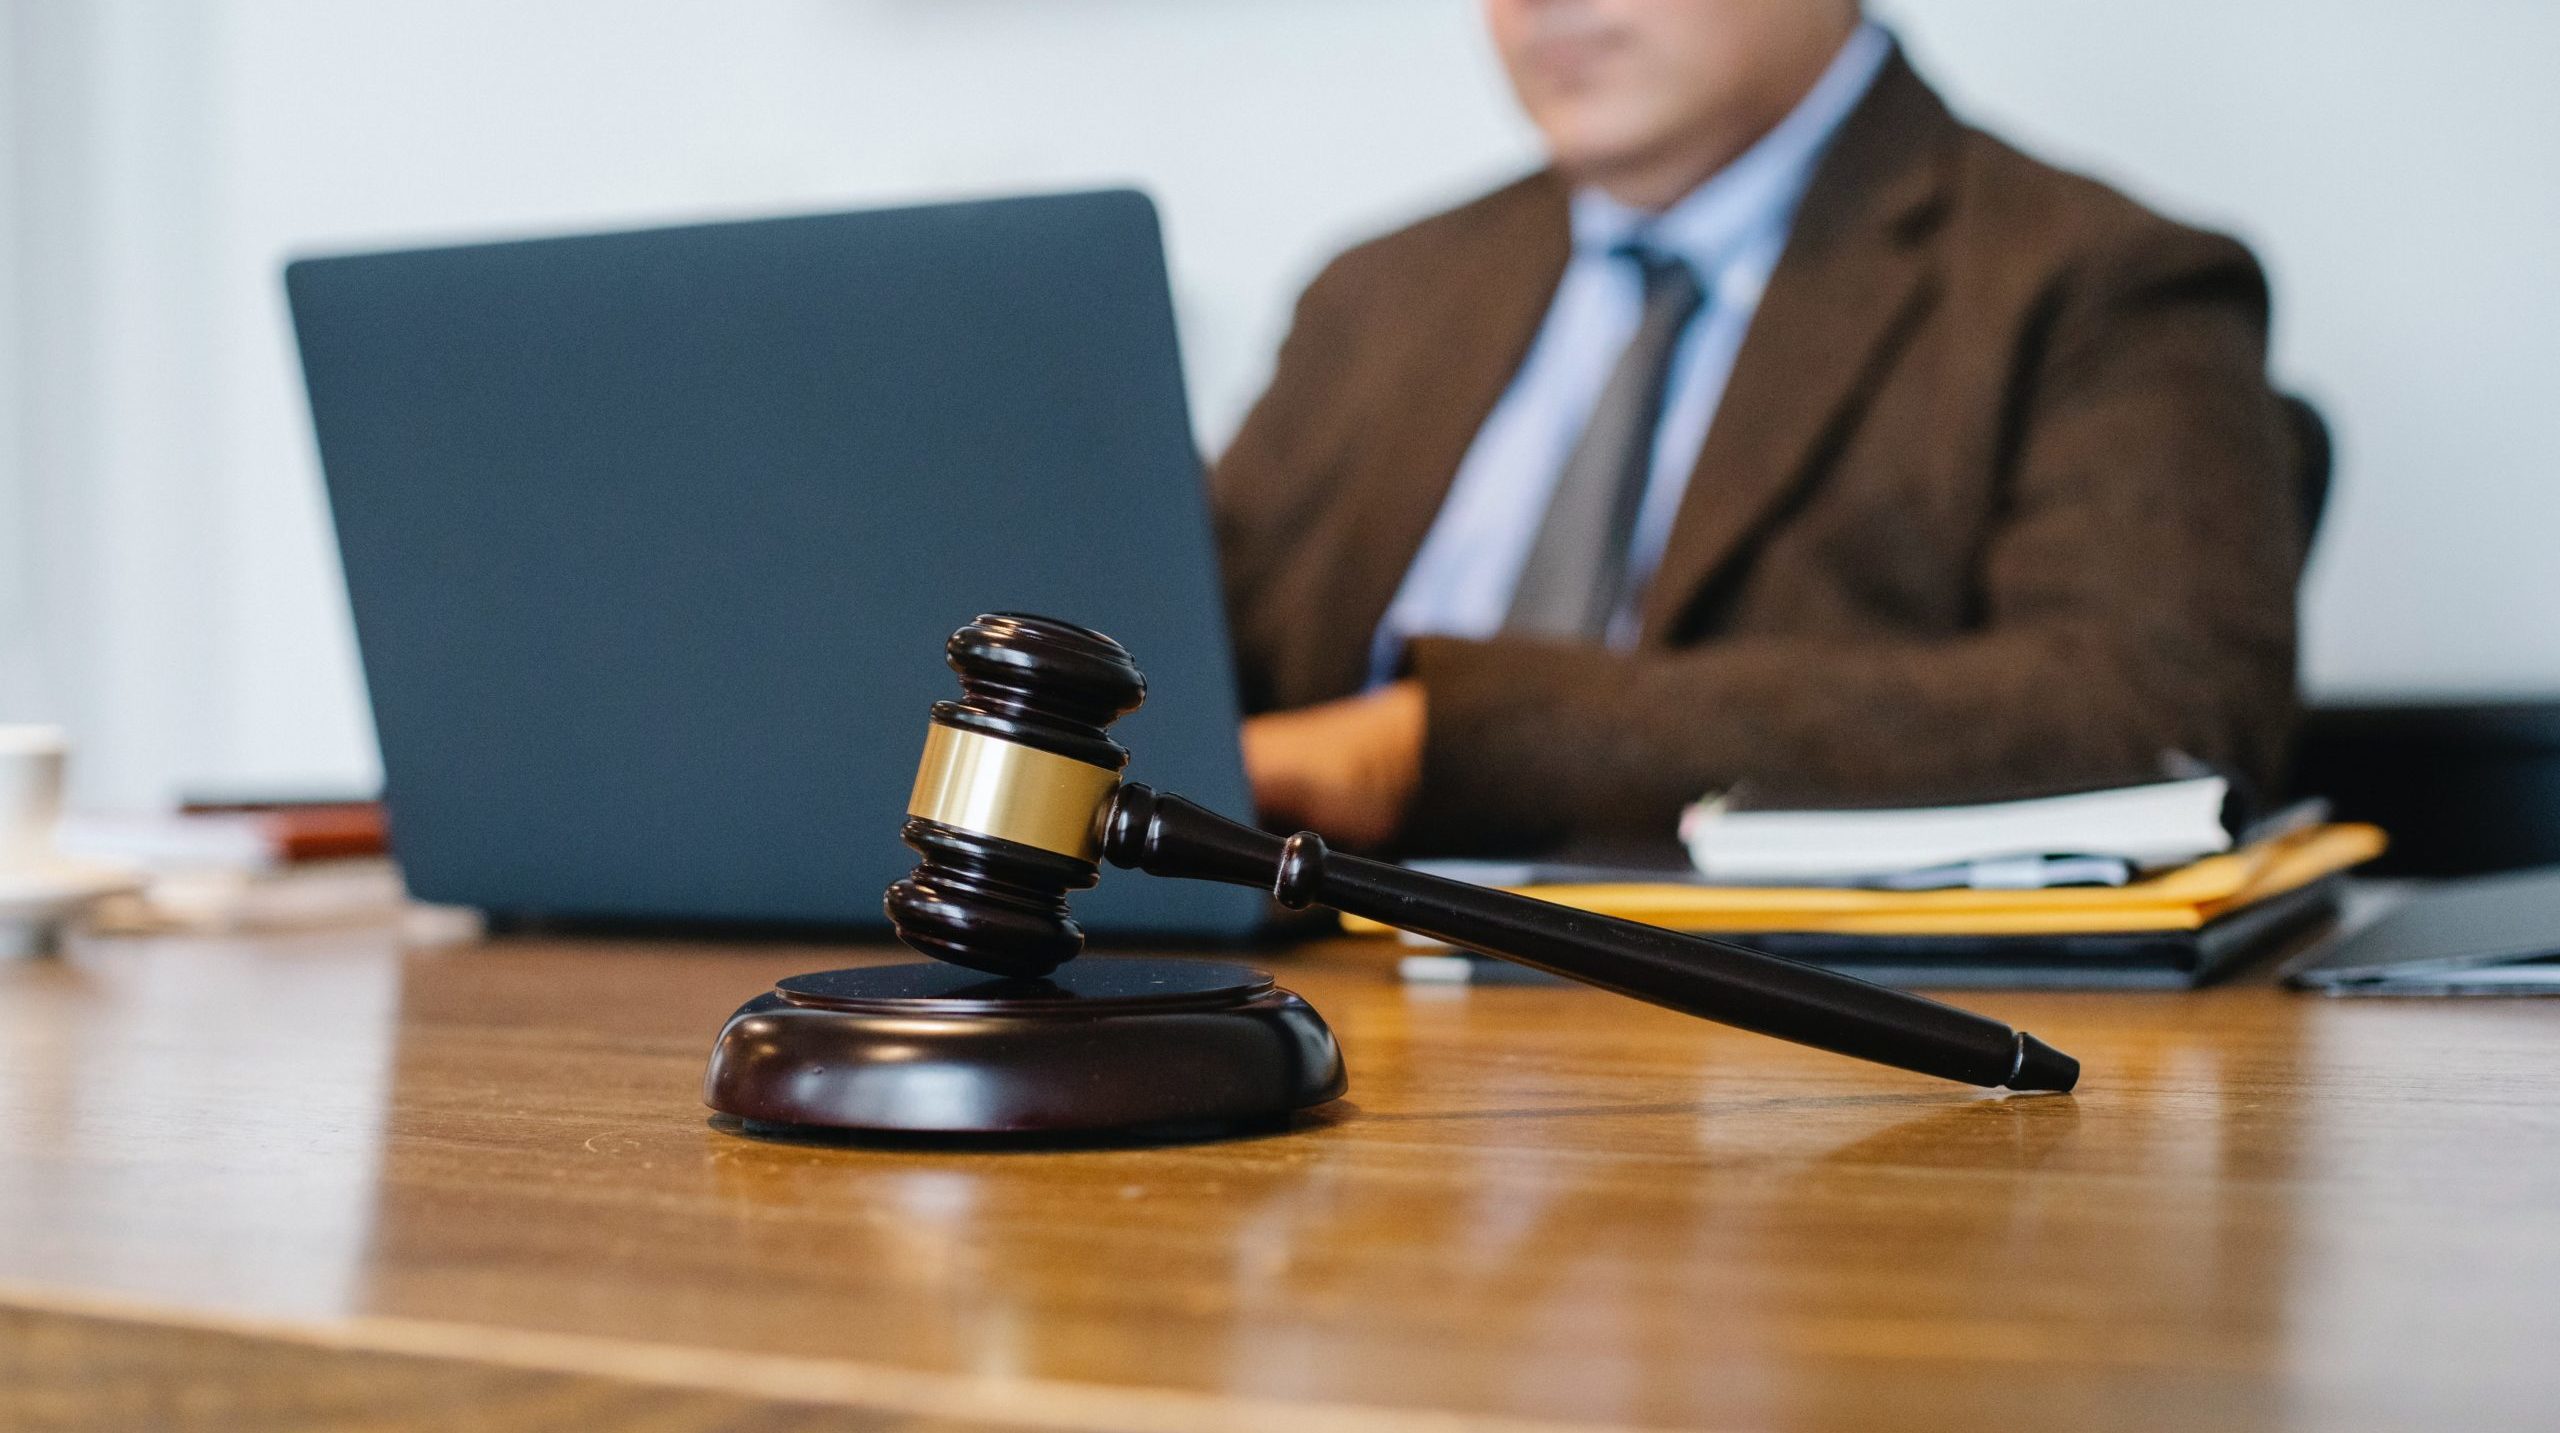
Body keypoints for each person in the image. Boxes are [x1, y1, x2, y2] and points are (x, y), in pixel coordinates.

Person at [1218, 0, 2309, 855]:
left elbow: (2151, 708)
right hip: (1299, 1014)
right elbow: (1179, 649)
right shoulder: (1375, 297)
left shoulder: (2094, 280)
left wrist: (1438, 744)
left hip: (1788, 1064)